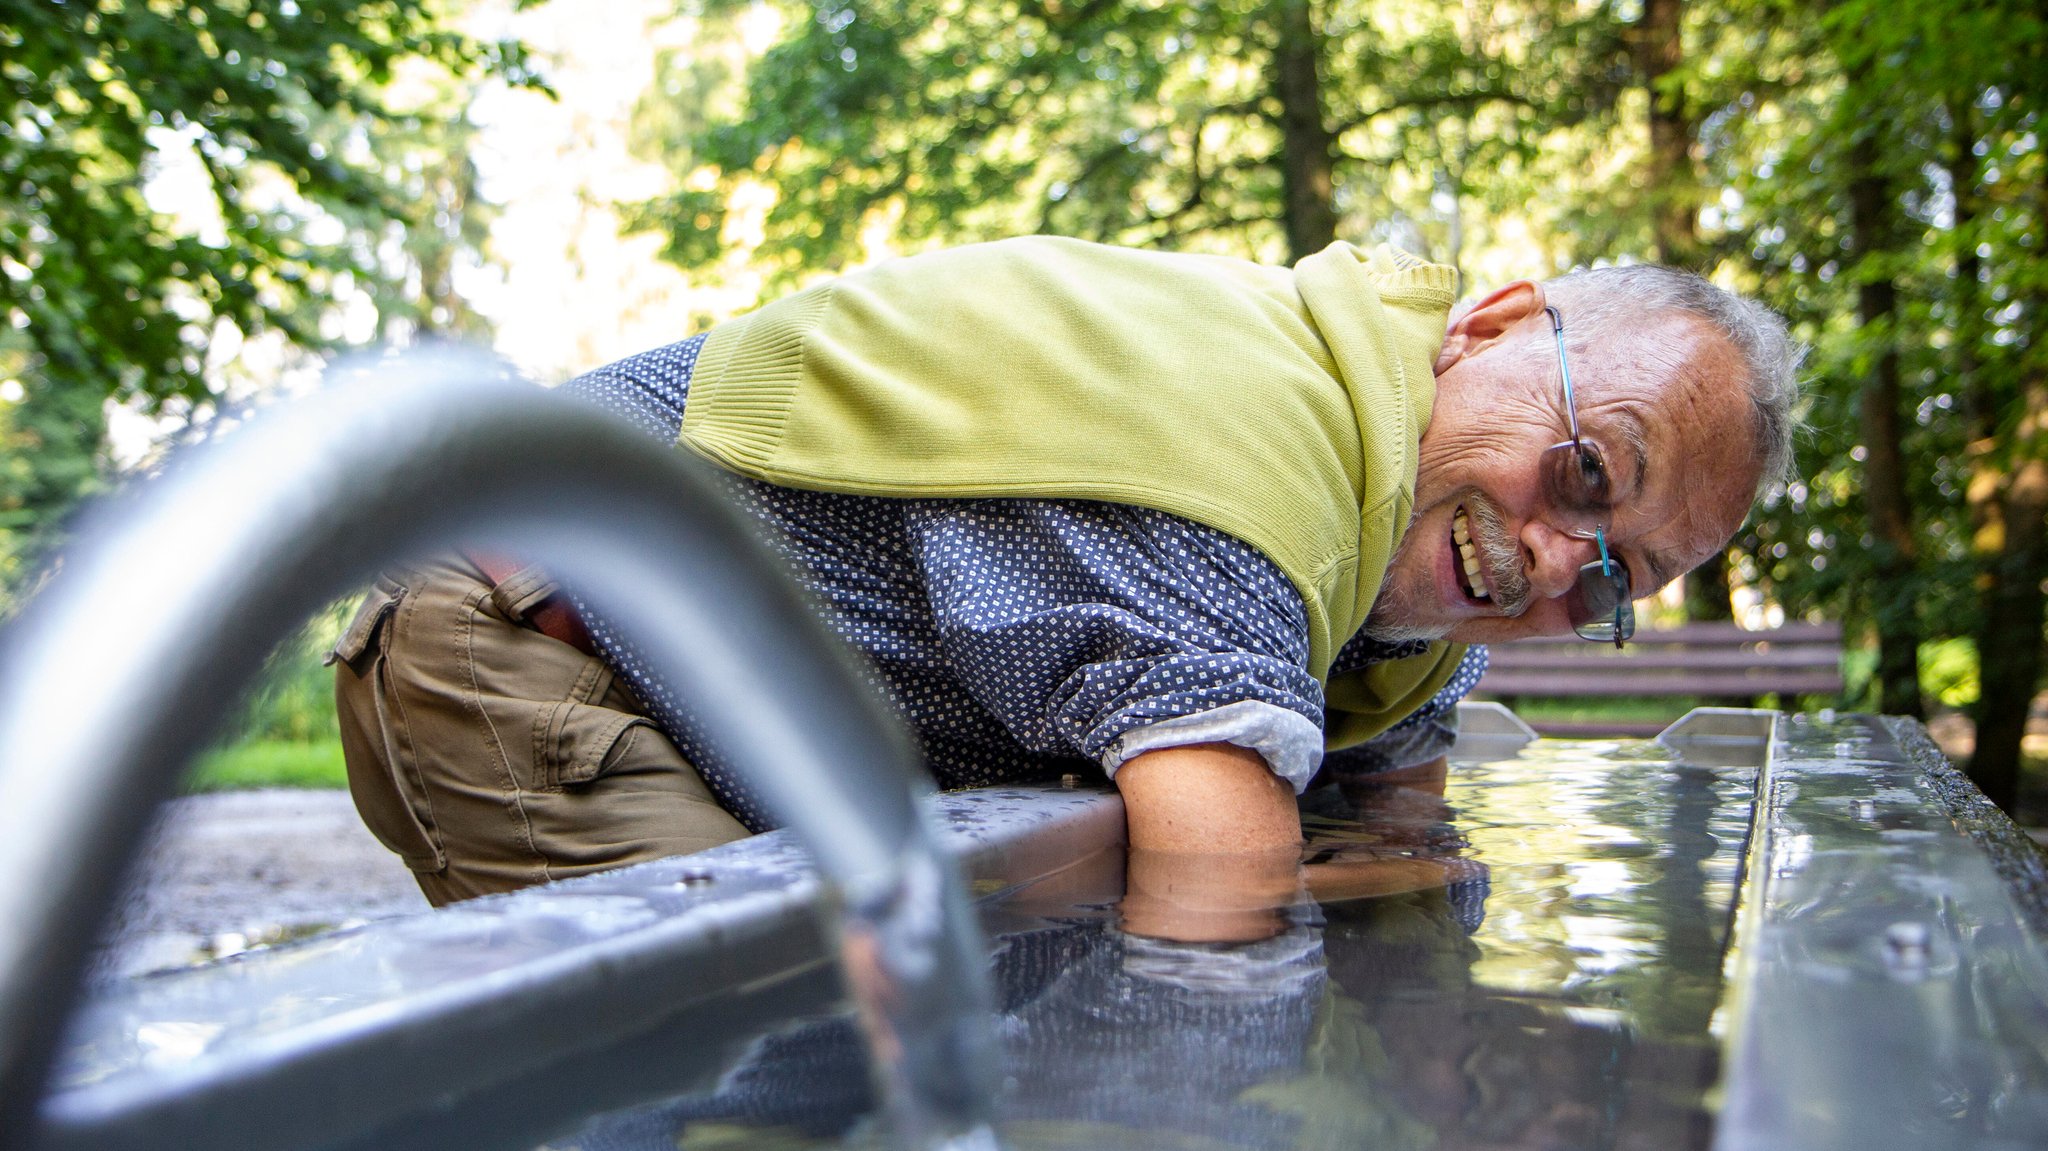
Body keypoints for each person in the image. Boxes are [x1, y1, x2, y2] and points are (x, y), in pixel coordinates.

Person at [331, 237, 1799, 910]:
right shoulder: (1241, 435)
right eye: (1589, 470)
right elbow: (1221, 876)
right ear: (1490, 325)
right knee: (750, 1054)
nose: (1553, 557)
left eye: (1612, 583)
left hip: (693, 685)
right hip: (533, 629)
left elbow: (1409, 831)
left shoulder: (1400, 589)